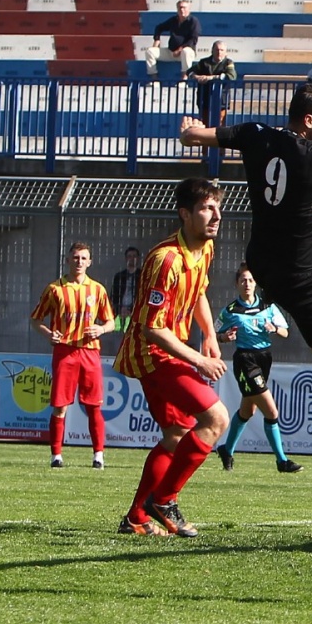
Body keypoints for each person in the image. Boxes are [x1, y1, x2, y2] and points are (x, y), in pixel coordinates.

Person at [182, 84, 312, 492]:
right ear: (310, 120)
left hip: (262, 264)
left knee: (276, 336)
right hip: (301, 274)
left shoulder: (254, 133)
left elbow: (198, 136)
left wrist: (190, 130)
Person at [113, 177, 230, 538]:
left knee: (177, 433)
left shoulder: (203, 249)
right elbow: (151, 328)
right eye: (207, 208)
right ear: (185, 214)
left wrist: (209, 334)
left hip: (169, 349)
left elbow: (198, 293)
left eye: (217, 208)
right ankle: (164, 500)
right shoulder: (167, 259)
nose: (216, 216)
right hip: (153, 354)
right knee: (216, 418)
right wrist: (198, 358)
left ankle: (135, 518)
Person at [31, 241, 115, 470]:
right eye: (75, 257)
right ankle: (56, 456)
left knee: (94, 406)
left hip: (90, 352)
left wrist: (101, 329)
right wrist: (49, 334)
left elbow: (111, 322)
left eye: (83, 258)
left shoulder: (97, 290)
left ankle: (98, 456)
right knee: (60, 406)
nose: (79, 262)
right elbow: (35, 319)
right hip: (65, 351)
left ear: (90, 262)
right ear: (68, 260)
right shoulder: (55, 289)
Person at [214, 264, 304, 475]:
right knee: (271, 411)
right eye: (243, 280)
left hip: (264, 359)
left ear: (256, 284)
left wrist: (274, 329)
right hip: (245, 360)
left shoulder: (267, 307)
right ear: (237, 284)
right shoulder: (230, 311)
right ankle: (282, 461)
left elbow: (285, 332)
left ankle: (226, 450)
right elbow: (214, 332)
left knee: (248, 410)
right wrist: (224, 338)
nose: (247, 284)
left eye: (251, 280)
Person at [145, 0, 201, 81]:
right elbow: (159, 27)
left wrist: (180, 49)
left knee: (186, 51)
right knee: (150, 51)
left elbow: (193, 39)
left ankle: (184, 79)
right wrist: (157, 40)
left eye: (184, 8)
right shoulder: (174, 20)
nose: (182, 10)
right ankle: (154, 80)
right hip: (171, 51)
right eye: (180, 8)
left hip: (185, 53)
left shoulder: (193, 21)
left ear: (189, 9)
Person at [188, 41, 236, 125]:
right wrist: (196, 77)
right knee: (204, 122)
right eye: (217, 50)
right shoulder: (203, 62)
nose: (219, 52)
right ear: (212, 50)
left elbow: (231, 76)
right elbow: (190, 71)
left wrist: (211, 78)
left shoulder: (228, 62)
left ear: (226, 52)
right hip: (204, 98)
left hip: (221, 99)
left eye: (222, 50)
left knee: (220, 123)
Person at [110, 246, 141, 328]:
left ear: (138, 258)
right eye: (129, 256)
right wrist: (120, 309)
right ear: (126, 258)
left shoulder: (142, 275)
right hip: (120, 312)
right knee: (118, 334)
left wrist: (131, 310)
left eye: (134, 256)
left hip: (136, 313)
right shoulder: (119, 276)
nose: (132, 259)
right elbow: (114, 296)